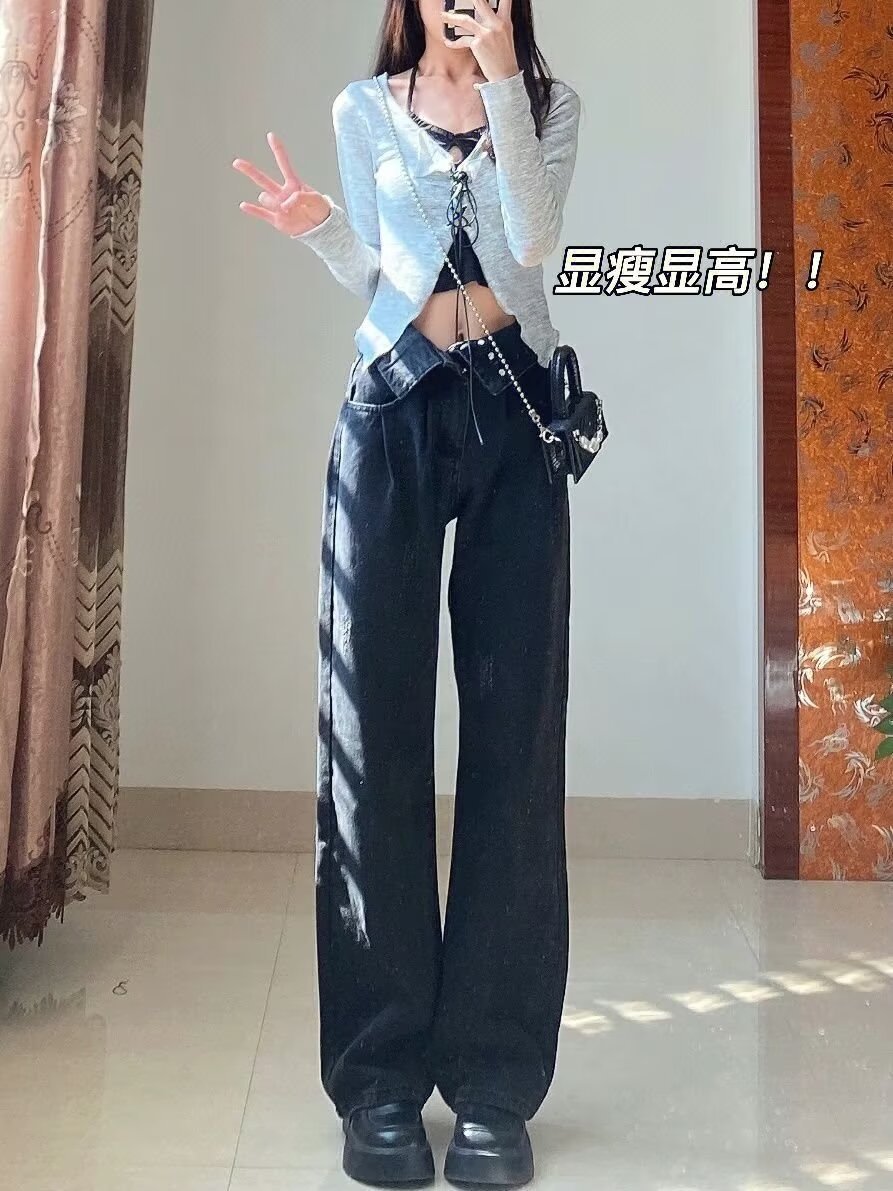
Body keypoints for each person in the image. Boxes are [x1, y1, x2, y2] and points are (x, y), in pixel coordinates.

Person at [234, 0, 581, 1185]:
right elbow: (384, 276)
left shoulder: (550, 105)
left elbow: (532, 243)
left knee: (514, 742)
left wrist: (501, 88)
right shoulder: (362, 109)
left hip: (515, 413)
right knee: (368, 741)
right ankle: (378, 1081)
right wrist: (321, 228)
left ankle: (492, 1085)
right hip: (390, 409)